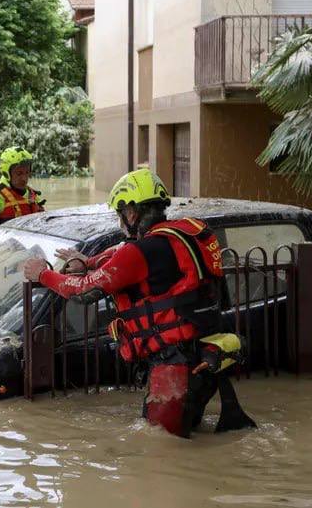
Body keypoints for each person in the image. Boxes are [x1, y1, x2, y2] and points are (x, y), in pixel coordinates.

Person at [22, 169, 256, 438]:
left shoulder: (142, 252)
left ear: (131, 213)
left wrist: (43, 274)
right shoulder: (180, 236)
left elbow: (84, 292)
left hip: (173, 368)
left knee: (161, 449)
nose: (120, 221)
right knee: (184, 436)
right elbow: (121, 253)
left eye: (120, 214)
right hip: (203, 357)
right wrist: (86, 261)